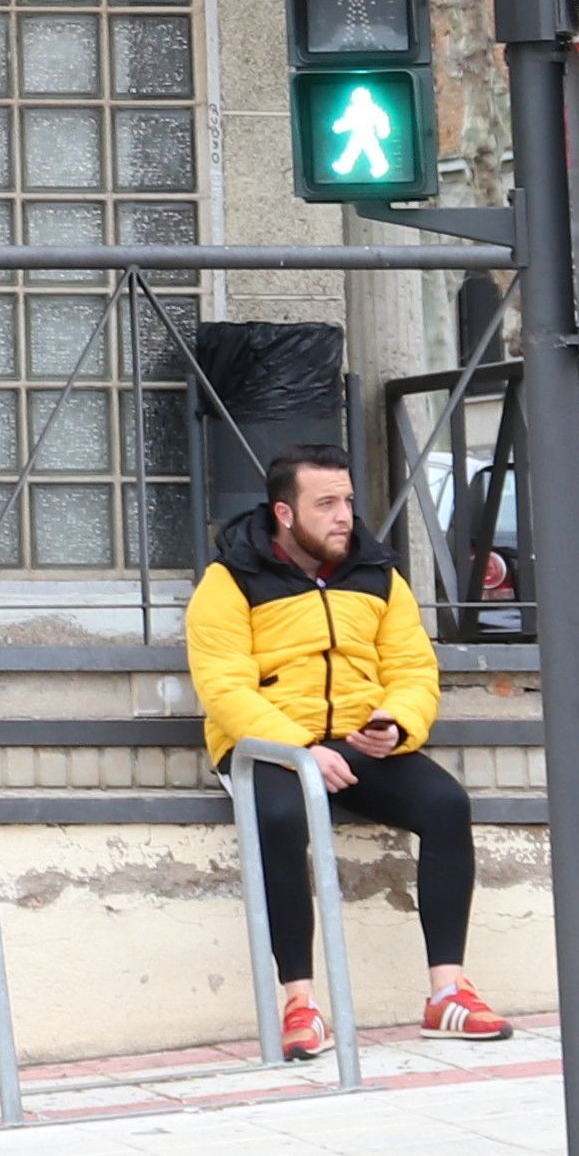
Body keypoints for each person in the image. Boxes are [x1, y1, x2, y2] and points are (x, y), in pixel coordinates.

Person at [187, 442, 510, 1054]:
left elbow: (414, 667)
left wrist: (396, 721)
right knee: (281, 817)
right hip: (267, 742)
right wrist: (300, 748)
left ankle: (447, 993)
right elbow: (224, 687)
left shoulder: (377, 574)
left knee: (447, 806)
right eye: (326, 504)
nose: (344, 516)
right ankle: (300, 1003)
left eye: (348, 502)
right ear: (285, 513)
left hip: (359, 741)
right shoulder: (230, 579)